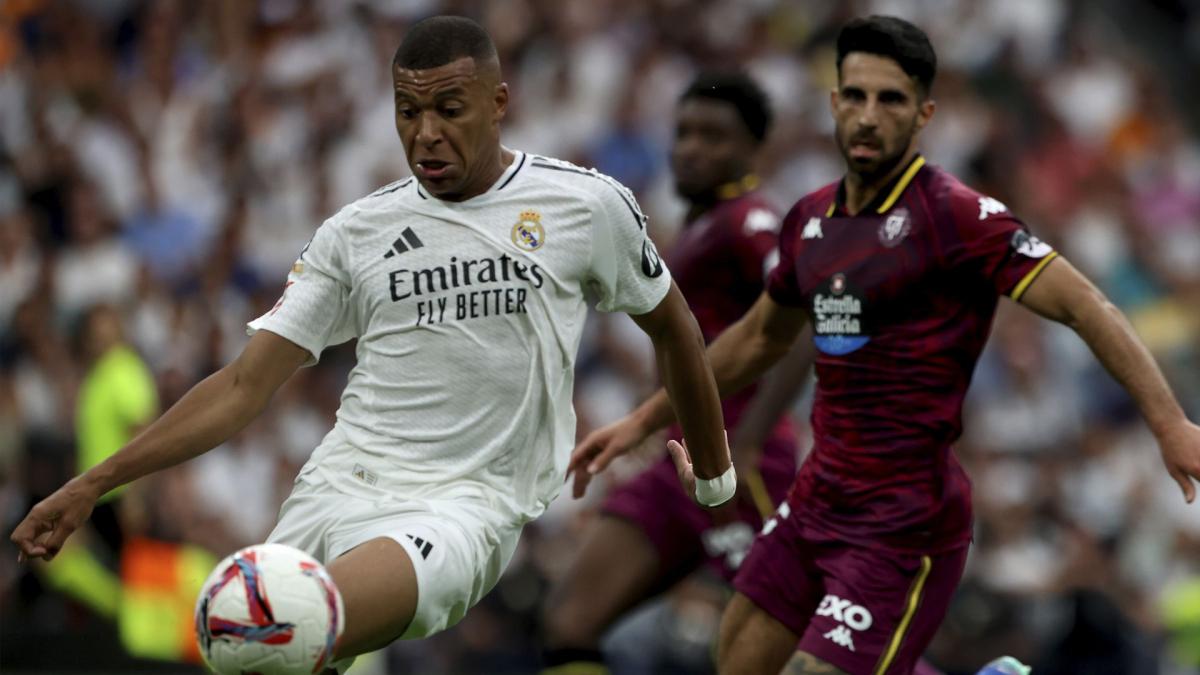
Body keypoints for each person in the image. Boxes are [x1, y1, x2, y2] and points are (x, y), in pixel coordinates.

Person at [11, 15, 735, 674]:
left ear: (498, 102)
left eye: (449, 110)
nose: (425, 133)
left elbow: (674, 329)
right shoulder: (357, 233)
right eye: (407, 111)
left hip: (461, 506)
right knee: (251, 647)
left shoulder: (585, 206)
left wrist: (714, 479)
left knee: (280, 629)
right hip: (336, 484)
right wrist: (92, 482)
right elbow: (242, 387)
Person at [569, 15, 1200, 675]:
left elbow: (1085, 306)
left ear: (923, 113)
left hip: (904, 517)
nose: (870, 115)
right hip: (818, 496)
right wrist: (644, 418)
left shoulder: (958, 218)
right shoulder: (811, 221)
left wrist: (1169, 421)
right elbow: (758, 337)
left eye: (891, 99)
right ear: (834, 102)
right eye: (857, 95)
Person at [541, 72, 814, 674]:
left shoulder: (754, 223)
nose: (692, 147)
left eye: (714, 136)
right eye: (685, 132)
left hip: (742, 461)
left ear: (752, 150)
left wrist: (744, 442)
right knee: (570, 619)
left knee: (801, 647)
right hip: (677, 464)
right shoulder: (700, 227)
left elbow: (798, 329)